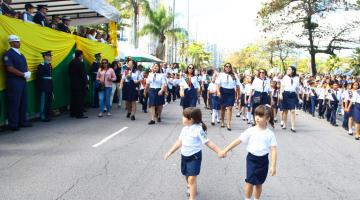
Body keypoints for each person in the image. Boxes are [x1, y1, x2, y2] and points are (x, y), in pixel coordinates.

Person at [219, 105, 277, 200]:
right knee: (249, 181)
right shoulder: (251, 130)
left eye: (261, 116)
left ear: (268, 118)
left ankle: (256, 199)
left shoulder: (270, 134)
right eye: (256, 115)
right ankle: (247, 198)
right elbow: (238, 140)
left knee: (259, 183)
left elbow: (274, 150)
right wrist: (225, 150)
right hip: (252, 159)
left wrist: (273, 166)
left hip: (263, 161)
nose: (257, 118)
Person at [164, 108, 221, 200]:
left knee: (192, 178)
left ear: (191, 119)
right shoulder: (184, 129)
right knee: (187, 175)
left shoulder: (198, 130)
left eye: (183, 117)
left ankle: (192, 197)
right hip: (184, 156)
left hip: (195, 157)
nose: (182, 118)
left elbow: (208, 142)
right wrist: (170, 151)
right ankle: (190, 186)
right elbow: (179, 142)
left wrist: (219, 151)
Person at [3, 35, 32, 131]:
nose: (19, 43)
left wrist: (28, 72)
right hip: (14, 82)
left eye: (19, 41)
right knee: (14, 103)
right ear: (11, 43)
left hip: (22, 81)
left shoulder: (21, 54)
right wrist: (23, 74)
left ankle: (22, 121)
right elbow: (9, 68)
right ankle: (13, 124)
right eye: (16, 41)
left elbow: (25, 66)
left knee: (23, 102)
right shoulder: (8, 54)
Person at [216, 63, 240, 131]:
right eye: (226, 66)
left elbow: (237, 85)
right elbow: (217, 83)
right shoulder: (221, 74)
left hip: (231, 92)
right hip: (223, 91)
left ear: (231, 68)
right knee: (222, 107)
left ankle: (228, 124)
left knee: (230, 107)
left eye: (229, 66)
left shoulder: (234, 75)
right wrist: (218, 91)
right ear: (224, 67)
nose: (228, 68)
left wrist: (239, 94)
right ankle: (222, 122)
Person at [280, 66, 300, 132]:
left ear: (293, 70)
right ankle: (284, 124)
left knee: (292, 111)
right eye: (288, 69)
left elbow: (297, 88)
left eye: (289, 69)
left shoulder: (297, 78)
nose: (288, 70)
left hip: (293, 94)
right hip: (285, 94)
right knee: (285, 111)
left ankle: (293, 126)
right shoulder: (285, 77)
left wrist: (298, 97)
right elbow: (282, 86)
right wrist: (280, 94)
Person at [69, 50, 88, 119]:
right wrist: (86, 83)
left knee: (73, 98)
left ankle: (72, 113)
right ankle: (79, 114)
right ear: (80, 55)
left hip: (73, 83)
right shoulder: (80, 63)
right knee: (79, 99)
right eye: (82, 55)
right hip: (80, 84)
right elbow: (83, 74)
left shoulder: (71, 63)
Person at [36, 51, 53, 122]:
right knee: (43, 101)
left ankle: (47, 115)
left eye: (50, 56)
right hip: (44, 85)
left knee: (49, 101)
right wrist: (41, 87)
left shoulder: (49, 65)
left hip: (49, 84)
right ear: (45, 57)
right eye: (49, 56)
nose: (50, 57)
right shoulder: (41, 65)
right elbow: (39, 77)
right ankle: (42, 116)